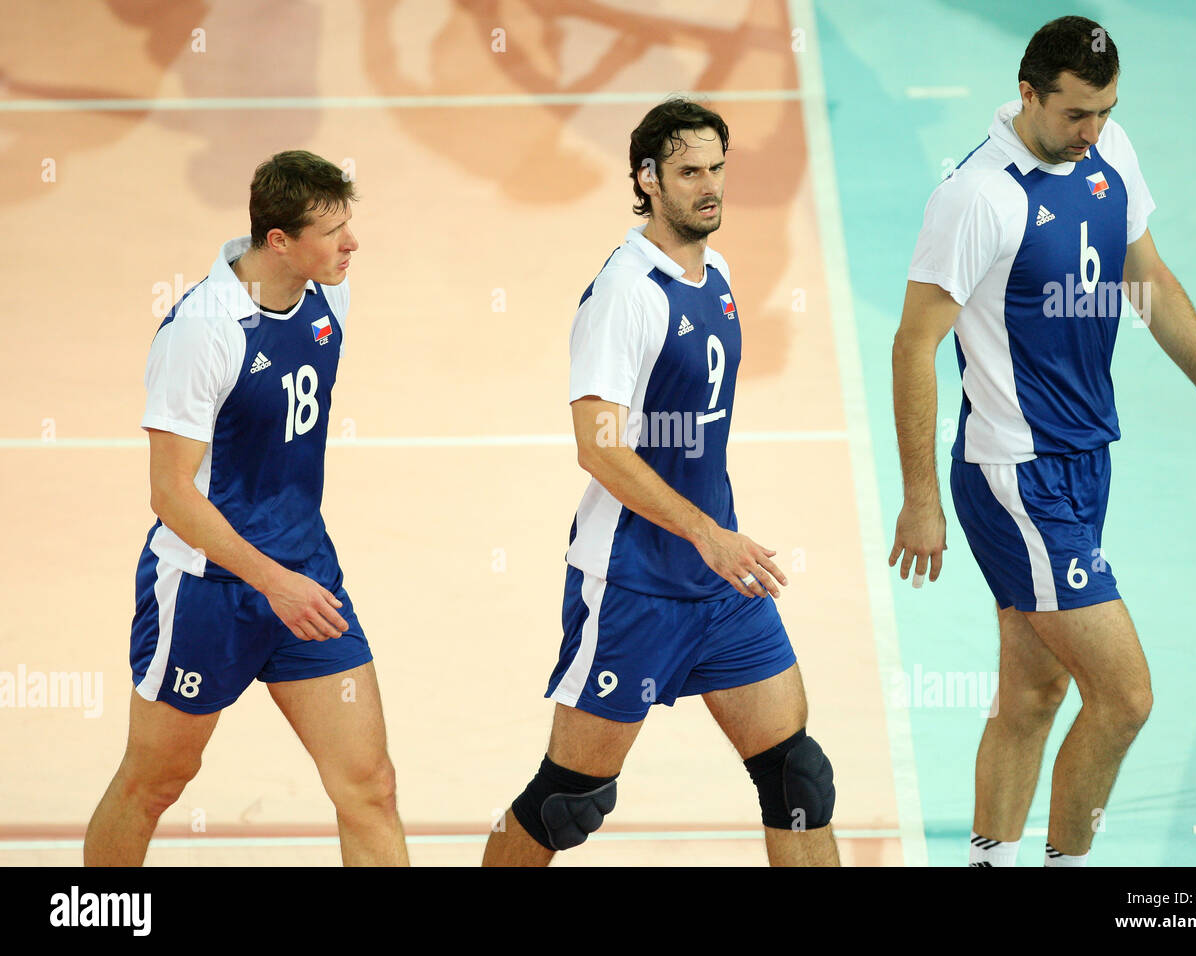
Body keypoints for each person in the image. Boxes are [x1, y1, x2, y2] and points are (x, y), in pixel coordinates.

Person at [891, 15, 1196, 867]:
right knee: (1126, 697)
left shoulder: (1108, 154)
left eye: (1107, 111)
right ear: (1029, 94)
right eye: (1077, 114)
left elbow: (1149, 281)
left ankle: (988, 861)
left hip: (1085, 461)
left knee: (1033, 694)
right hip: (1016, 474)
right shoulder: (975, 196)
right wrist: (921, 499)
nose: (1094, 132)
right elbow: (913, 344)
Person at [482, 98, 839, 867]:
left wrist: (717, 539)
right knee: (568, 800)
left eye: (716, 168)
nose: (708, 186)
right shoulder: (625, 294)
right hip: (634, 584)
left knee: (798, 778)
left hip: (722, 584)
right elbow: (598, 447)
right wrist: (705, 532)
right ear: (645, 180)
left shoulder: (716, 275)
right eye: (687, 173)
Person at [84, 150, 409, 866]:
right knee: (156, 782)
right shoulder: (203, 332)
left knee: (370, 787)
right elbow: (169, 495)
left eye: (349, 224)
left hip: (307, 579)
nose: (351, 244)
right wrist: (273, 581)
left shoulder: (328, 294)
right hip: (207, 592)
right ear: (279, 242)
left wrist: (293, 579)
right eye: (332, 232)